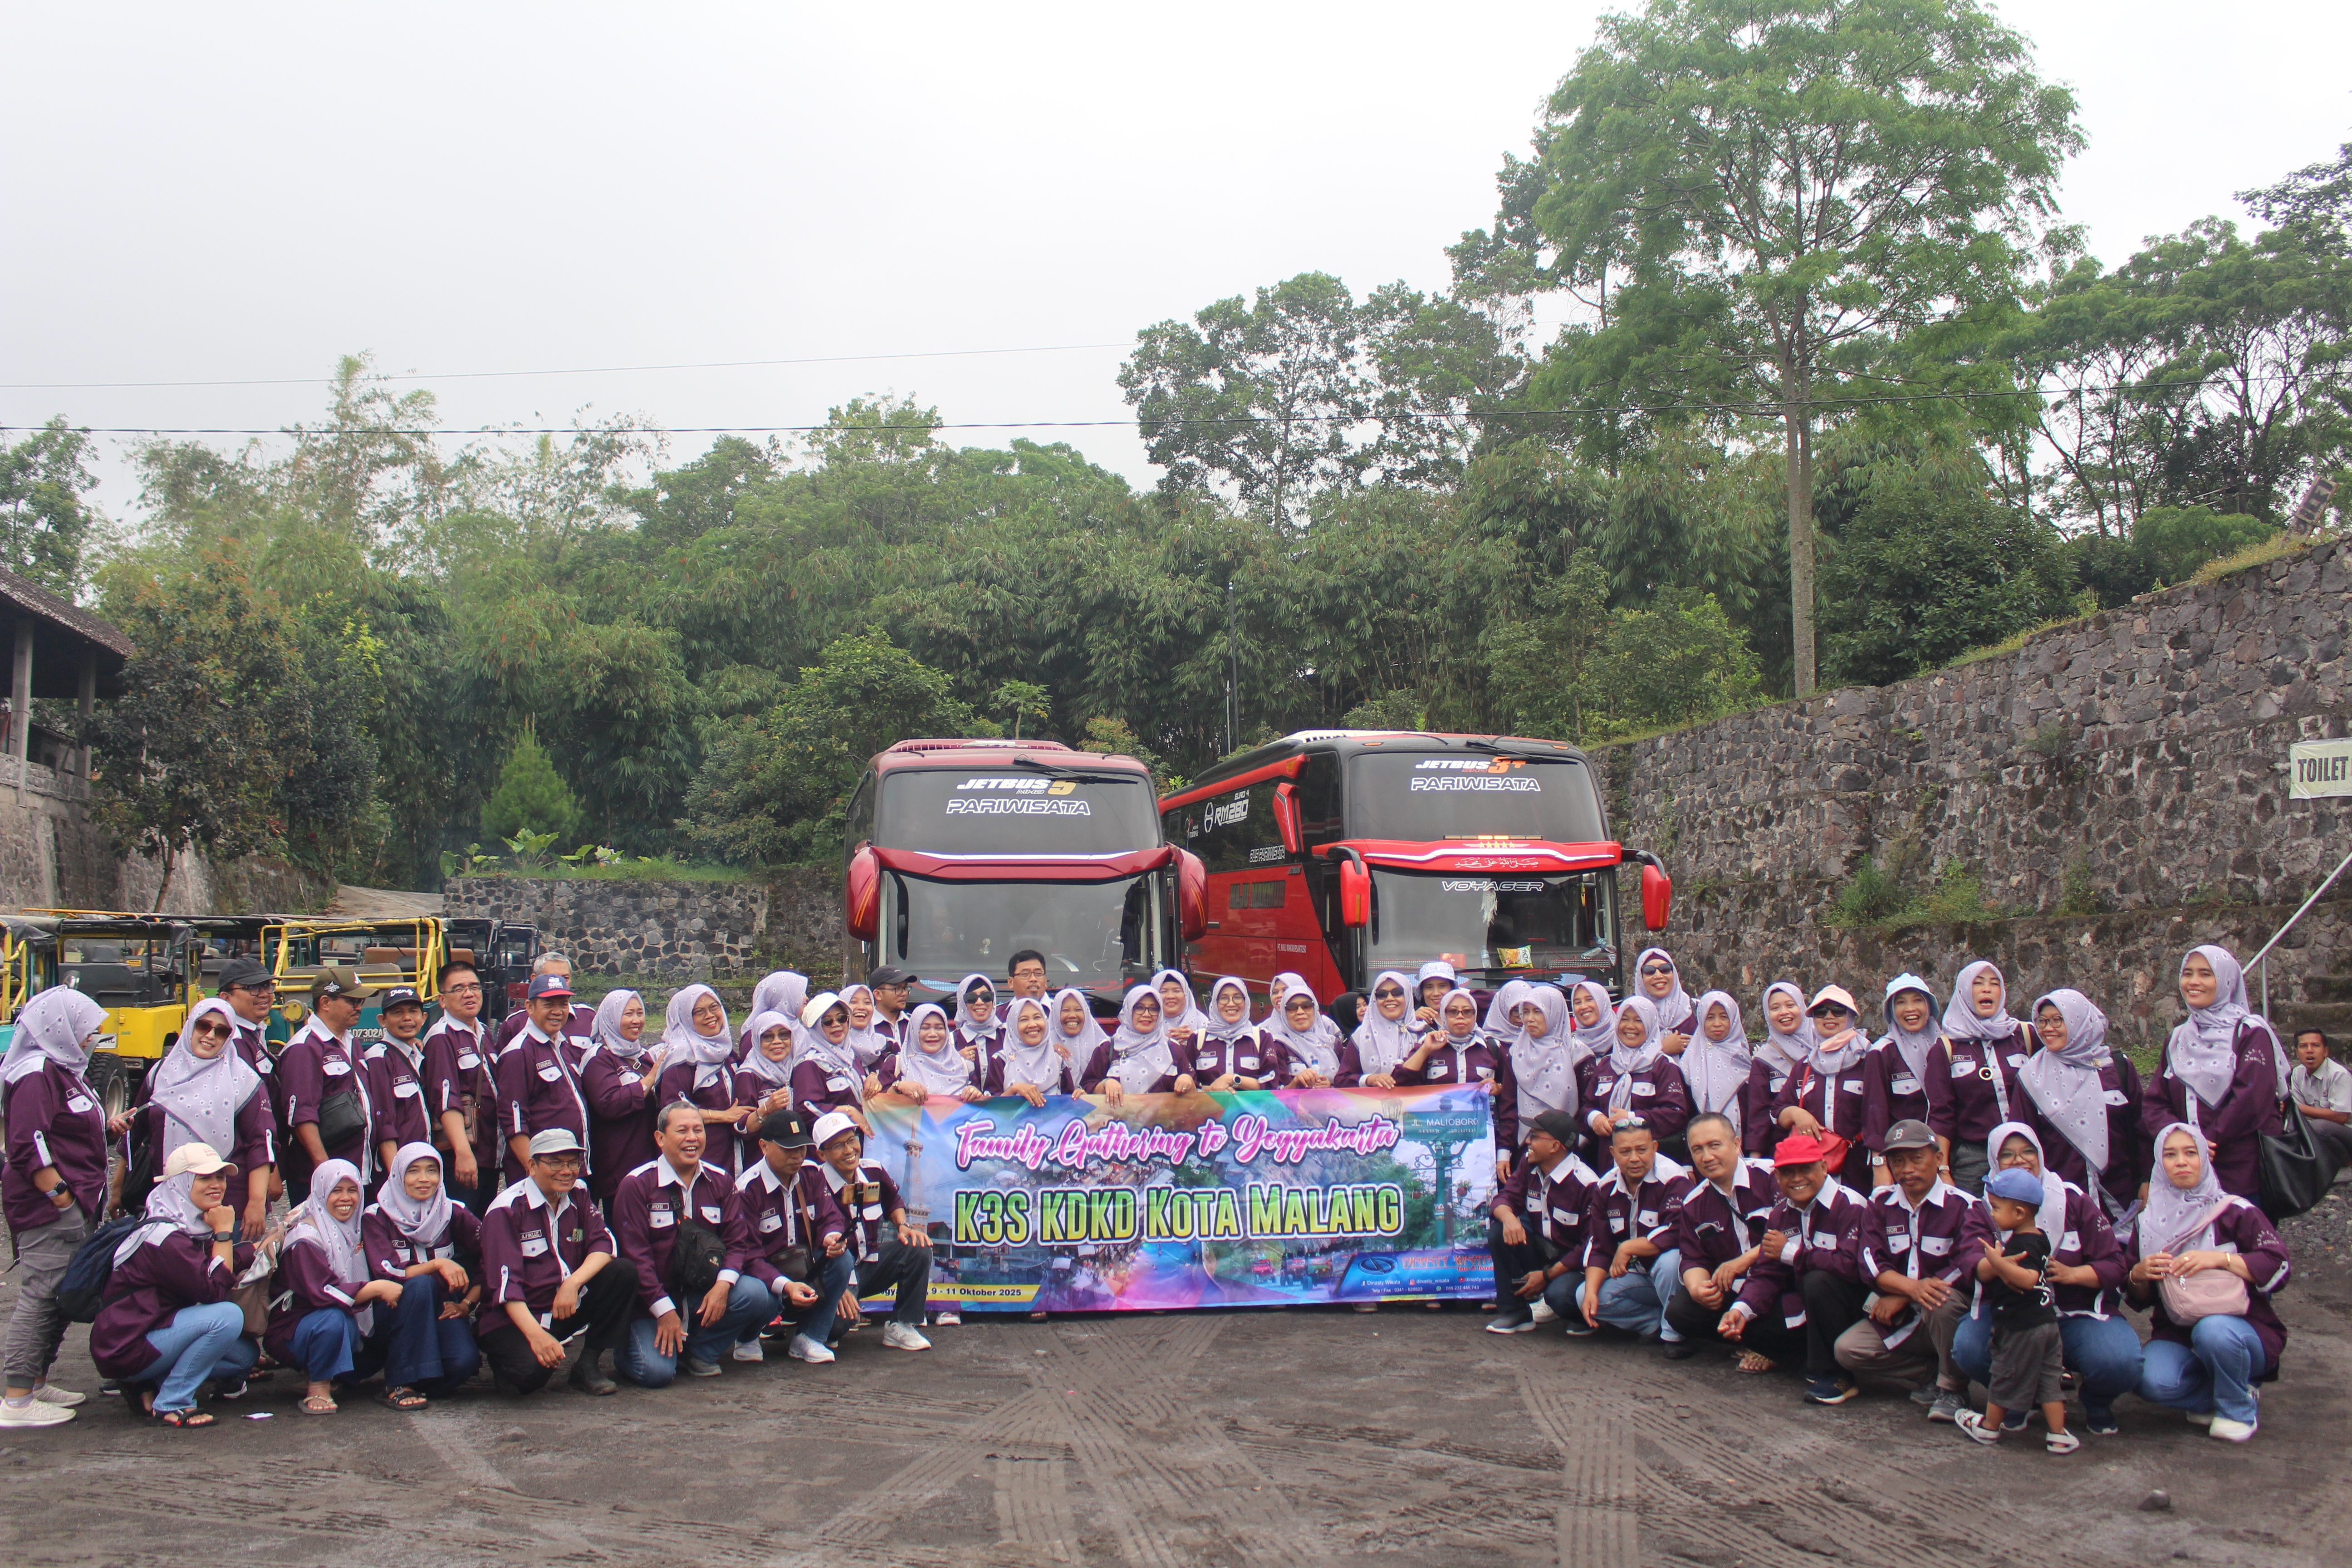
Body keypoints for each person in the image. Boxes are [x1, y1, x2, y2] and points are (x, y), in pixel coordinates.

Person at [1952, 1122, 2139, 1436]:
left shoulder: (2074, 1199)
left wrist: (2073, 1274)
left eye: (2028, 1151)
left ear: (2040, 1154)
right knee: (1969, 1347)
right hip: (2013, 1317)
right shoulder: (1984, 1208)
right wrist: (1999, 1266)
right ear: (1994, 1162)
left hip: (2073, 1314)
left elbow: (2115, 1264)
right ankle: (2021, 1402)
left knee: (2120, 1361)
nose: (2020, 1160)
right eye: (2007, 1154)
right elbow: (1970, 1261)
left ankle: (2095, 1402)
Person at [2126, 1121, 2292, 1442]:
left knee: (2213, 1330)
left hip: (2243, 1330)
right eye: (2171, 1155)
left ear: (2205, 1157)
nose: (2182, 1162)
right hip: (2178, 1333)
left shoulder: (2235, 1211)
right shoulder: (2148, 1221)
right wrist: (2139, 1273)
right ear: (2160, 1164)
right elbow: (2138, 1297)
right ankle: (2231, 1392)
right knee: (2147, 1379)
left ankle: (2236, 1412)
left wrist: (2221, 1260)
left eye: (2191, 1153)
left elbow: (2279, 1262)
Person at [88, 1144, 258, 1427]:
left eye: (221, 1177)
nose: (216, 1185)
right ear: (180, 1183)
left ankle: (149, 1382)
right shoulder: (166, 1236)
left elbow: (205, 1266)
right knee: (228, 1318)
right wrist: (224, 1232)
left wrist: (256, 1249)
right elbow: (214, 1290)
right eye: (204, 1179)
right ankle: (173, 1401)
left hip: (149, 1332)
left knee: (244, 1355)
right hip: (127, 1345)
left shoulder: (179, 1220)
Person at [3, 989, 110, 1426]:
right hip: (50, 1206)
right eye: (88, 1030)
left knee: (61, 1292)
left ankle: (37, 1379)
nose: (93, 1038)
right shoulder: (36, 1073)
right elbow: (27, 1145)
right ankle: (16, 1398)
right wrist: (61, 1196)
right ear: (60, 1027)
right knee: (42, 1292)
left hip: (77, 1201)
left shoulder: (64, 1070)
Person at [608, 1101, 768, 1386]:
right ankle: (631, 1351)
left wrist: (722, 1287)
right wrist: (664, 1310)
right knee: (655, 1374)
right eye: (682, 1131)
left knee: (754, 1293)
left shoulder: (721, 1181)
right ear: (660, 1139)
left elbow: (737, 1242)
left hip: (699, 1294)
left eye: (698, 1130)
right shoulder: (637, 1185)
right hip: (650, 1302)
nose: (692, 1138)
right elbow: (636, 1257)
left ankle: (698, 1352)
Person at [1836, 1119, 1985, 1417]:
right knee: (1848, 1350)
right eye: (1898, 1161)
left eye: (1917, 1159)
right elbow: (1870, 1261)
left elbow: (1964, 1266)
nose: (1908, 1169)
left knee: (1939, 1300)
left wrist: (1909, 1293)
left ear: (1938, 1158)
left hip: (1949, 1313)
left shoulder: (1966, 1206)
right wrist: (1911, 1289)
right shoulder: (1880, 1204)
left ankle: (1953, 1389)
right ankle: (1929, 1374)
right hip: (1905, 1318)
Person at [476, 1128, 640, 1396]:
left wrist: (573, 1283)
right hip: (516, 1316)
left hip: (562, 1305)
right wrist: (537, 1337)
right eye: (555, 1163)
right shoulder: (506, 1210)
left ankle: (587, 1365)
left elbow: (604, 1244)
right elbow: (506, 1287)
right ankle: (504, 1361)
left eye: (572, 1162)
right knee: (529, 1377)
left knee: (622, 1272)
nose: (566, 1171)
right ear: (532, 1165)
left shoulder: (578, 1193)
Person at [1722, 1132, 1872, 1406]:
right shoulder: (1779, 1215)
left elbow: (1854, 1268)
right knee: (1747, 1322)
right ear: (1777, 1178)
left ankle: (1838, 1375)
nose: (1797, 1178)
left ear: (1824, 1168)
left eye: (1806, 1169)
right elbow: (1767, 1273)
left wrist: (1793, 1254)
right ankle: (1808, 1360)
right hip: (1807, 1304)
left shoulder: (1851, 1206)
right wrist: (1740, 1309)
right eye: (1788, 1172)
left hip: (1854, 1305)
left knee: (1819, 1281)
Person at [120, 995, 274, 1242]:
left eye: (222, 1031)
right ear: (190, 1026)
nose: (211, 1036)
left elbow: (261, 1144)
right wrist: (118, 1189)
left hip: (226, 1207)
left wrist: (256, 1203)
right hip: (166, 1204)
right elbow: (134, 1132)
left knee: (224, 1276)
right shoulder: (161, 1074)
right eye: (204, 1026)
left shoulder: (243, 1081)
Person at [2142, 945, 2290, 1201]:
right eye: (2188, 973)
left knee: (2243, 1235)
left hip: (2241, 1170)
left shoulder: (2250, 1033)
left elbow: (2252, 1099)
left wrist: (2205, 1142)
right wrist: (2178, 1141)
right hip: (2187, 1172)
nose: (2194, 982)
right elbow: (2156, 1101)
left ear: (2226, 981)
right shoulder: (2179, 1038)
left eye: (2206, 974)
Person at [266, 1159, 407, 1415]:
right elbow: (323, 1294)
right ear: (321, 1193)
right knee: (333, 1319)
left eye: (352, 1190)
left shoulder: (354, 1228)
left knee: (395, 1316)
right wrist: (376, 1289)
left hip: (340, 1321)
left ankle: (345, 1374)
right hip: (294, 1331)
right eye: (336, 1191)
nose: (346, 1199)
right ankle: (318, 1386)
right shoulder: (305, 1236)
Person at [1953, 1166, 2076, 1453]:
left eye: (1996, 1208)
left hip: (2022, 1327)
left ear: (2020, 1214)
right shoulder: (2041, 1236)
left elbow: (2030, 1278)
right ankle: (2058, 1434)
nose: (1992, 1214)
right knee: (2049, 1380)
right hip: (2046, 1323)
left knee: (2005, 1376)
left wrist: (1997, 1262)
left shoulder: (2022, 1244)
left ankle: (1989, 1428)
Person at [1661, 1112, 1789, 1370]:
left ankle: (1772, 1349)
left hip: (1781, 1280)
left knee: (1797, 1303)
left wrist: (1743, 1262)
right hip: (1736, 1289)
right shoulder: (1693, 1203)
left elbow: (1793, 1233)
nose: (1707, 1157)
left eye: (1714, 1145)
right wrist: (1698, 1289)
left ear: (1737, 1144)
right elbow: (1693, 1257)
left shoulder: (1773, 1176)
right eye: (1697, 1150)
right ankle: (1754, 1339)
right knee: (1680, 1312)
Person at [360, 1142, 484, 1407]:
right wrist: (438, 1265)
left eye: (432, 1171)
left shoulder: (451, 1210)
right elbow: (389, 1272)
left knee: (465, 1363)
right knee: (420, 1286)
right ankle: (398, 1383)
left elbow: (494, 1253)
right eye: (414, 1171)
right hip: (389, 1312)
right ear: (398, 1175)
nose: (424, 1179)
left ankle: (419, 1380)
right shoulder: (376, 1216)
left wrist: (467, 1304)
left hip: (440, 1309)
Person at [2017, 990, 2147, 1226]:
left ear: (2078, 1021)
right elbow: (2023, 1140)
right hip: (2064, 1206)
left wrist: (2147, 1180)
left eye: (2058, 1020)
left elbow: (2142, 1128)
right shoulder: (2031, 1077)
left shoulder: (2116, 1067)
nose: (2048, 1028)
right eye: (2042, 1021)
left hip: (2123, 1198)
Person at [734, 1110, 854, 1365]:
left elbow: (829, 1216)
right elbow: (749, 1256)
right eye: (789, 1149)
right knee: (755, 1292)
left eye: (802, 1148)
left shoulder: (811, 1173)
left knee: (843, 1260)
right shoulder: (747, 1189)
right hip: (767, 1278)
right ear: (764, 1146)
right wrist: (786, 1286)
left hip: (805, 1270)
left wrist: (833, 1238)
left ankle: (810, 1337)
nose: (798, 1155)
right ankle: (747, 1337)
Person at [811, 1111, 933, 1352]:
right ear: (821, 1154)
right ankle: (811, 1323)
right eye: (838, 1145)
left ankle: (902, 1325)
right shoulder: (813, 1183)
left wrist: (903, 1226)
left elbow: (894, 1201)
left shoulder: (873, 1171)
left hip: (869, 1265)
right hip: (834, 1273)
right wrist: (836, 1287)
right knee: (836, 1328)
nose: (849, 1150)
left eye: (851, 1140)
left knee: (917, 1247)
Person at [1569, 1118, 1689, 1347]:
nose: (1634, 1158)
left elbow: (1679, 1232)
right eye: (1625, 1152)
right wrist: (1591, 1293)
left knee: (1670, 1261)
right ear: (1613, 1153)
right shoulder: (1605, 1187)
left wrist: (1629, 1247)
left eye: (1642, 1150)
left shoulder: (1674, 1179)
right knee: (1584, 1296)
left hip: (1677, 1277)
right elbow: (1600, 1245)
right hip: (1639, 1276)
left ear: (1655, 1147)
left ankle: (1675, 1336)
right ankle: (1656, 1323)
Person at [1483, 1110, 1599, 1334]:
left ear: (1556, 1147)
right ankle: (1516, 1313)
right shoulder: (1529, 1165)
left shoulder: (1587, 1185)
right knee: (1499, 1232)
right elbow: (1504, 1198)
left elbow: (1589, 1247)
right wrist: (1509, 1219)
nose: (1528, 1141)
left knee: (1560, 1297)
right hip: (1542, 1250)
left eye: (1535, 1136)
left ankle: (1580, 1315)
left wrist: (1547, 1277)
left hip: (1574, 1264)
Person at [1925, 960, 2033, 1194]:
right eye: (1978, 984)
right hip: (1973, 1157)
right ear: (1964, 992)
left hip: (2026, 1153)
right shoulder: (1947, 1048)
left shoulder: (2024, 1035)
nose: (1987, 989)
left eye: (1994, 984)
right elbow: (1942, 1114)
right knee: (1972, 1223)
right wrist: (1942, 1170)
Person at [279, 967, 377, 1199]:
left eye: (361, 1001)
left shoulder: (351, 1043)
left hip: (358, 1173)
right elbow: (301, 1116)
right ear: (325, 1002)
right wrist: (325, 1171)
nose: (359, 1008)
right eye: (352, 1001)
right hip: (323, 1180)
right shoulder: (304, 1048)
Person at [1400, 986, 1514, 1173]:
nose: (1460, 1017)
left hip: (1483, 1145)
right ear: (1443, 1015)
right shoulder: (1428, 1044)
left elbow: (1509, 1104)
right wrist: (1425, 1050)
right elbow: (1401, 1084)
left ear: (1475, 1014)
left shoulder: (1492, 1048)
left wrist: (1503, 1153)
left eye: (1467, 1012)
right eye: (1453, 1012)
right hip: (1434, 1142)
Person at [496, 973, 592, 1185]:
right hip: (541, 1176)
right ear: (530, 1007)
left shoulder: (562, 1045)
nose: (558, 1012)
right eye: (549, 1004)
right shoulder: (519, 1053)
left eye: (564, 1004)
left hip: (567, 1171)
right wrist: (534, 1172)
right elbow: (513, 1121)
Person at [422, 958, 500, 1213]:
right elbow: (445, 1100)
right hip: (465, 1153)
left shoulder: (483, 1033)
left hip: (488, 1151)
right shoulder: (442, 1037)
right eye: (458, 989)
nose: (469, 994)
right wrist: (463, 1154)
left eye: (474, 987)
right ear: (442, 1000)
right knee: (464, 1225)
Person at [1768, 986, 1871, 1177]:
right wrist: (1796, 1114)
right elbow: (1777, 1111)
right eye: (1820, 1012)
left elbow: (1880, 1114)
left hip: (1860, 1168)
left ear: (1850, 1016)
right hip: (1813, 1169)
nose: (1829, 1016)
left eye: (1838, 1010)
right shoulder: (1806, 1066)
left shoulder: (1868, 1059)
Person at [579, 988, 666, 1207]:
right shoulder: (599, 1058)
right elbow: (609, 1104)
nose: (636, 1020)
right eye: (628, 1014)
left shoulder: (641, 1055)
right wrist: (649, 1080)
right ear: (611, 1017)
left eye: (640, 1013)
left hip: (647, 1161)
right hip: (617, 1167)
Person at [654, 984, 751, 1173]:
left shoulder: (725, 1052)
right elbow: (672, 1108)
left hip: (734, 1154)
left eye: (714, 1007)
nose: (710, 1016)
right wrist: (722, 1116)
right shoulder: (682, 1056)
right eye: (699, 1012)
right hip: (702, 1157)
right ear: (686, 1019)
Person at [1577, 995, 1691, 1152]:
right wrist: (1594, 1119)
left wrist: (1632, 1119)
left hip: (1651, 1161)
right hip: (1608, 1161)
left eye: (1639, 1021)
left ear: (1650, 1025)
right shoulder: (1607, 1064)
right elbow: (1587, 1105)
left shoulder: (1663, 1066)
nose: (1630, 1026)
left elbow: (1676, 1114)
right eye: (1625, 1019)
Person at [1860, 975, 1939, 1187]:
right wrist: (1880, 1166)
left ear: (1930, 1006)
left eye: (1918, 1000)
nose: (1910, 1009)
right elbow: (1874, 1114)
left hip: (1941, 1155)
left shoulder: (1944, 1046)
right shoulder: (1882, 1053)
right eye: (1901, 1002)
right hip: (1904, 1162)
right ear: (1891, 1011)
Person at [363, 985, 434, 1180]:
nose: (407, 1018)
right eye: (398, 1013)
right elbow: (383, 1124)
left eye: (413, 1012)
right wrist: (397, 1177)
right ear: (383, 1021)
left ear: (424, 1018)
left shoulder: (419, 1055)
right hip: (399, 1170)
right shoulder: (378, 1059)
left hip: (423, 1166)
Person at [1505, 986, 1583, 1156]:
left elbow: (1587, 1104)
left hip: (1568, 1148)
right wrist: (1505, 1152)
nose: (1530, 1019)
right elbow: (1508, 1106)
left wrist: (1578, 1143)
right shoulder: (1516, 1053)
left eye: (1538, 1012)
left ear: (1554, 1013)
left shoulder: (1577, 1053)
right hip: (1526, 1148)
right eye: (1526, 1012)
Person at [1741, 981, 1814, 1156]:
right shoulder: (1765, 1059)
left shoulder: (1824, 1050)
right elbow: (1759, 1115)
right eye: (1775, 1008)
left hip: (1826, 1146)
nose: (1784, 1013)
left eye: (1791, 1005)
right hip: (1784, 1151)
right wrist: (1756, 1159)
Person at [215, 956, 284, 1133]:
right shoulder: (231, 1042)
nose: (264, 994)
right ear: (226, 997)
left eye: (268, 986)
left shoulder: (253, 1033)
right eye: (252, 988)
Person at [1082, 987, 1181, 1103]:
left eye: (1154, 1009)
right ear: (1129, 1010)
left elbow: (1194, 1092)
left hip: (1163, 1120)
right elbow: (1087, 1089)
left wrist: (1186, 1079)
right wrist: (1106, 1084)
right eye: (1139, 1008)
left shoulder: (1172, 1048)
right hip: (1117, 1120)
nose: (1147, 1014)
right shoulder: (1108, 1048)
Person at [1678, 990, 1751, 1142]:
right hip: (1703, 1141)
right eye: (1710, 1017)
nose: (1717, 1023)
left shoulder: (1744, 1058)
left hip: (1743, 1140)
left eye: (1724, 1017)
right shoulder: (1689, 1061)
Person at [1184, 976, 1281, 1090]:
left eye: (1238, 998)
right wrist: (1213, 1090)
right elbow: (1190, 1084)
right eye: (1224, 998)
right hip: (1210, 1108)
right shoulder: (1198, 1039)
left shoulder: (1262, 1037)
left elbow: (1271, 1083)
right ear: (1215, 1003)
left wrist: (1232, 1080)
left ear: (1246, 1002)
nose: (1231, 1004)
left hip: (1251, 1108)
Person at [881, 1003, 985, 1103]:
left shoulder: (963, 1066)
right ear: (913, 1031)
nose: (932, 1034)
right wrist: (899, 1087)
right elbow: (876, 1106)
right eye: (925, 1028)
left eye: (939, 1028)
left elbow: (979, 1110)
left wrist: (974, 1094)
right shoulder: (898, 1065)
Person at [497, 953, 597, 1055]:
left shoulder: (588, 1017)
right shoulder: (515, 1024)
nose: (560, 983)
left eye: (565, 978)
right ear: (534, 979)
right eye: (552, 978)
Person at [1338, 970, 1419, 1088]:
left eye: (1397, 993)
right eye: (1382, 994)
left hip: (1419, 1105)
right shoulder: (1363, 1035)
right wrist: (1370, 1079)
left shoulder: (1422, 1032)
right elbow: (1342, 1079)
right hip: (1373, 1105)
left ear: (1408, 995)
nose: (1390, 998)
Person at [735, 1008, 804, 1146]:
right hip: (762, 1158)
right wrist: (767, 1109)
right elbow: (741, 1128)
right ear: (757, 1040)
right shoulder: (748, 1075)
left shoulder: (798, 1069)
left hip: (798, 1155)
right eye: (768, 1037)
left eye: (784, 1035)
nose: (777, 1041)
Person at [991, 996, 1076, 1103]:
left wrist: (1078, 1096)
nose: (1032, 1025)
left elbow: (1070, 1103)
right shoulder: (1001, 1060)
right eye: (1024, 1020)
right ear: (1013, 1026)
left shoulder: (1057, 1059)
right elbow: (989, 1105)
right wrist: (1014, 1090)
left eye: (1037, 1018)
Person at [2288, 1028, 2352, 1169]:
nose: (2309, 1051)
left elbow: (2342, 1117)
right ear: (2296, 1052)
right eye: (2304, 1046)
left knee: (2319, 1127)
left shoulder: (2338, 1075)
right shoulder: (2298, 1073)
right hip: (2321, 1133)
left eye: (2316, 1046)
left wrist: (2300, 1108)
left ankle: (2348, 1162)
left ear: (2326, 1052)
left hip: (2347, 1133)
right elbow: (2297, 1115)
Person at [1264, 978, 1342, 1089]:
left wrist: (1330, 1086)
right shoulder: (1278, 1046)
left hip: (1335, 1105)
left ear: (1315, 1009)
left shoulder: (1332, 1044)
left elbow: (1348, 1083)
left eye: (1306, 1006)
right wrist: (1296, 1083)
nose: (1300, 1012)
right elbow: (1274, 1094)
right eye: (1292, 1008)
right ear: (1284, 1013)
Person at [1631, 947, 1697, 1053]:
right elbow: (1625, 1059)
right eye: (1649, 971)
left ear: (1674, 974)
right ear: (1640, 978)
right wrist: (1661, 1050)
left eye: (1665, 969)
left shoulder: (1697, 1010)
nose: (1658, 976)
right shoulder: (1631, 1016)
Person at [949, 974, 1005, 1084]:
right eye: (971, 998)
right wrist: (957, 1060)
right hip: (965, 1101)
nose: (980, 1002)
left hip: (1006, 1101)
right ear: (962, 1003)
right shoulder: (951, 1041)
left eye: (986, 997)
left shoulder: (1008, 1035)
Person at [742, 971, 809, 1058]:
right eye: (800, 993)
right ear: (784, 997)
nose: (806, 998)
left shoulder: (800, 1030)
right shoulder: (756, 1035)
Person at [838, 983, 894, 1074]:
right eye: (853, 1002)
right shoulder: (836, 1049)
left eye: (867, 1003)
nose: (861, 1007)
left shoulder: (889, 1045)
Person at [865, 965, 915, 1052]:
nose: (904, 994)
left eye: (905, 988)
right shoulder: (867, 1027)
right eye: (898, 989)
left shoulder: (914, 1023)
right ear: (878, 995)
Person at [1001, 950, 1051, 1022]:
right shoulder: (998, 1016)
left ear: (1046, 981)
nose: (1033, 979)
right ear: (1011, 982)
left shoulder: (1061, 1012)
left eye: (1039, 974)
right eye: (1025, 974)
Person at [1411, 960, 1458, 1029]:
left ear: (1452, 989)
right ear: (1422, 992)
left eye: (1442, 986)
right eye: (1429, 987)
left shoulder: (1470, 1014)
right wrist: (1411, 1020)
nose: (1436, 993)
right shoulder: (1413, 1019)